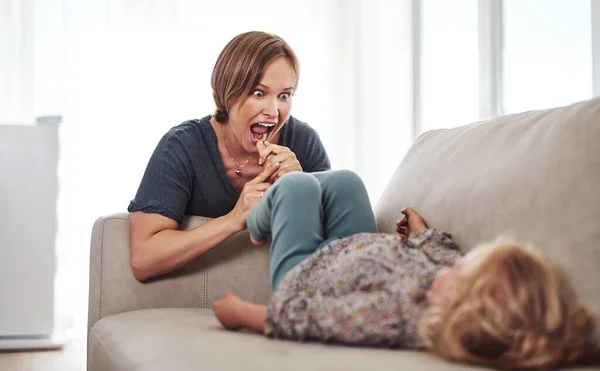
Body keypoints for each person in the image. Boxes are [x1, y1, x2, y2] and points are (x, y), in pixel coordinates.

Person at [213, 170, 597, 370]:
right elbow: (441, 253)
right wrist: (423, 233)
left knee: (296, 187)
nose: (455, 261)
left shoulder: (394, 316)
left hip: (307, 277)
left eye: (461, 268)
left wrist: (244, 314)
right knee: (347, 181)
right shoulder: (447, 283)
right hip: (351, 249)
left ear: (453, 311)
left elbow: (315, 318)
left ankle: (255, 222)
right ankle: (297, 196)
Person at [127, 31, 330, 281]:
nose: (273, 111)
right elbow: (143, 259)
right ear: (228, 92)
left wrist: (302, 193)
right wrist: (234, 219)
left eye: (284, 95)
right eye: (258, 93)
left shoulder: (304, 143)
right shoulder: (181, 146)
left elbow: (335, 247)